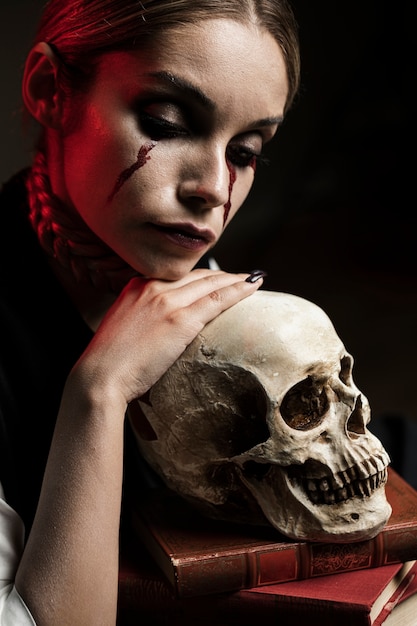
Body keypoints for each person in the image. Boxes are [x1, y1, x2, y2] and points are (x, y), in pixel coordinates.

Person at [0, 0, 300, 623]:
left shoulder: (209, 294)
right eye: (166, 123)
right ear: (49, 89)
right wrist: (102, 390)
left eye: (245, 152)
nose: (214, 189)